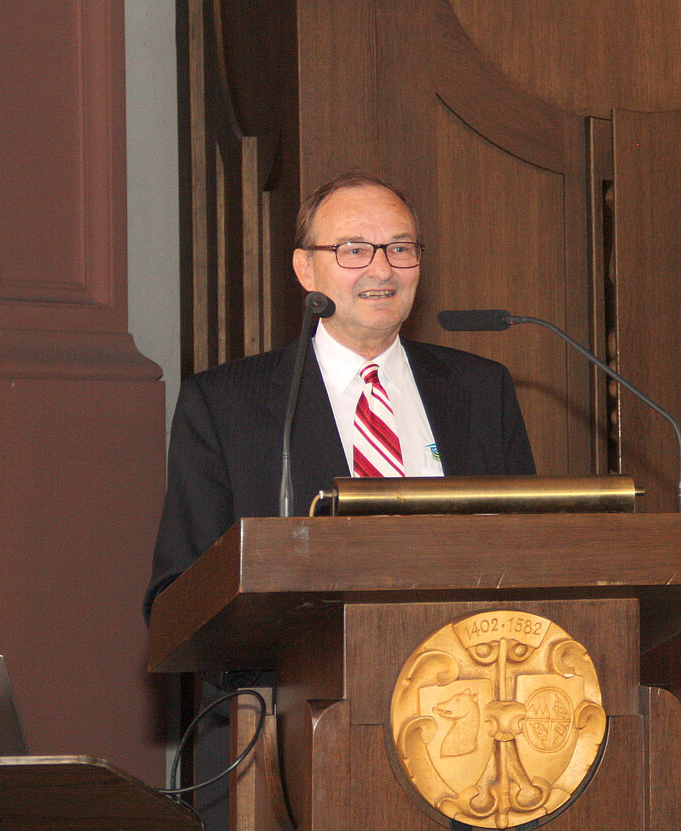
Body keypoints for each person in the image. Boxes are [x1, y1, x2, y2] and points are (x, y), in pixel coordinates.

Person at [143, 171, 537, 827]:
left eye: (400, 248)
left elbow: (532, 561)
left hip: (470, 740)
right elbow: (174, 600)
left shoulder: (480, 390)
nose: (382, 268)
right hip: (284, 744)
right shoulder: (227, 404)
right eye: (354, 249)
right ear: (306, 269)